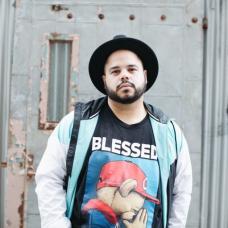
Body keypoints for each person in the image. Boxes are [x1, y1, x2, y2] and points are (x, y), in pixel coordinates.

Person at [35, 35, 192, 228]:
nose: (124, 75)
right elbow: (49, 178)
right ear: (104, 80)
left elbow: (181, 192)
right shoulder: (77, 123)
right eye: (115, 71)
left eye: (131, 69)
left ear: (145, 75)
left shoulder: (169, 133)